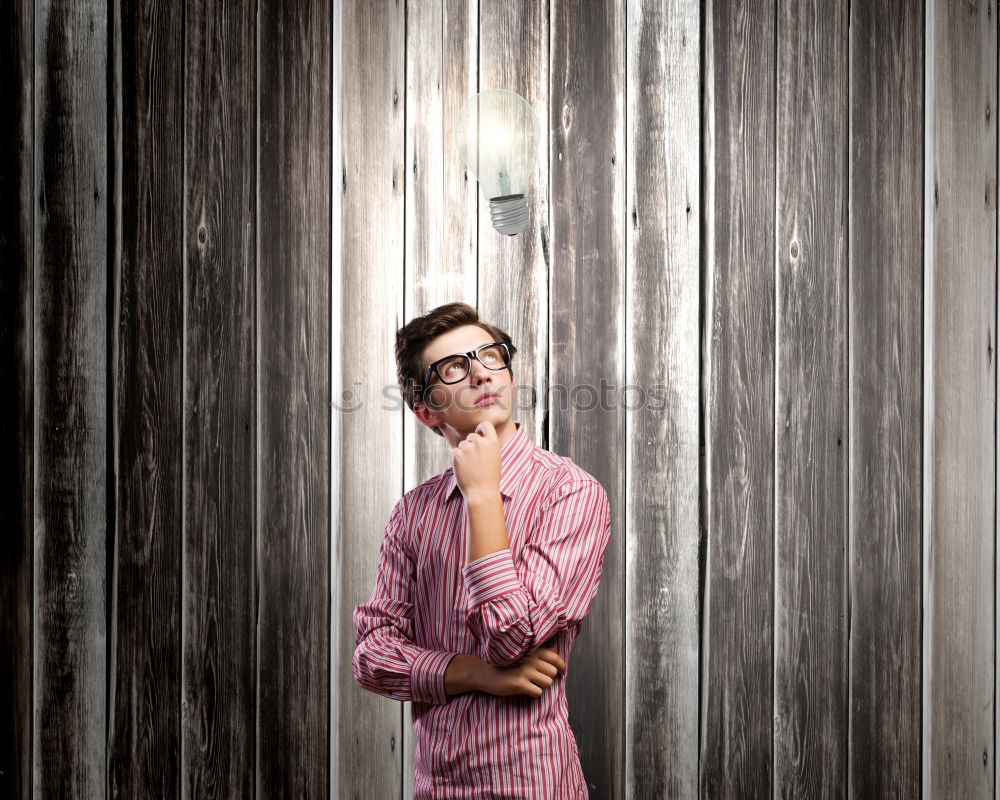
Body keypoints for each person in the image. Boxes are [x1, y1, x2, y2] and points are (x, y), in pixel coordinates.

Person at [352, 301, 611, 798]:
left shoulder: (570, 492)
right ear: (426, 410)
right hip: (436, 787)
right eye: (453, 367)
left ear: (509, 372)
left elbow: (510, 640)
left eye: (490, 356)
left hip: (531, 782)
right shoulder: (414, 512)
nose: (479, 374)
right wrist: (473, 673)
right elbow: (372, 655)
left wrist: (483, 495)